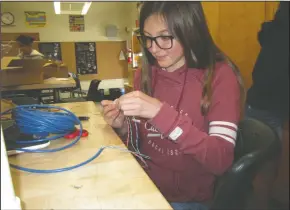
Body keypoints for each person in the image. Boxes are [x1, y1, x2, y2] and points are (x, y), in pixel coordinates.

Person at [102, 2, 245, 210]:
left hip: (187, 199)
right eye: (148, 38)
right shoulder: (145, 74)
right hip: (143, 183)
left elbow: (220, 159)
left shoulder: (220, 77)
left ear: (190, 31)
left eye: (165, 37)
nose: (153, 48)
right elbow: (142, 139)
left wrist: (161, 114)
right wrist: (122, 125)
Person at [245, 2, 289, 209]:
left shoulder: (273, 33)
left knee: (261, 170)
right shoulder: (283, 38)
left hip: (257, 105)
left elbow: (261, 75)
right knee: (266, 171)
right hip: (269, 109)